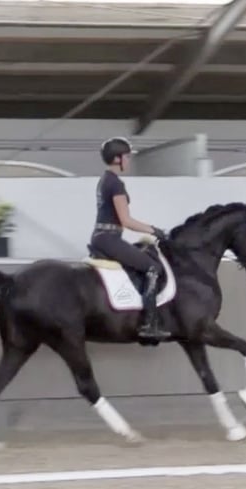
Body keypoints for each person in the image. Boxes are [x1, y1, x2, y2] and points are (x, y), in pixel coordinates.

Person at [89, 136, 171, 340]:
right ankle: (148, 324)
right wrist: (154, 230)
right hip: (110, 239)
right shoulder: (115, 184)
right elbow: (126, 220)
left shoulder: (104, 180)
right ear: (117, 159)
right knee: (153, 268)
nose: (129, 160)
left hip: (102, 236)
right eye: (127, 156)